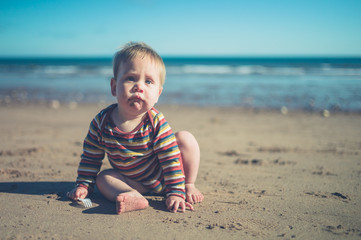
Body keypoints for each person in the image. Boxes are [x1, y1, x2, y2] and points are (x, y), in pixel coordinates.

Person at [67, 42, 204, 214]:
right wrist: (84, 185)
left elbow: (170, 159)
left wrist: (175, 192)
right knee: (103, 178)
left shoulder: (156, 123)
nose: (138, 87)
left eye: (148, 81)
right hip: (132, 181)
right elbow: (91, 157)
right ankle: (131, 196)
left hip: (163, 177)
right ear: (114, 87)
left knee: (185, 138)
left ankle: (189, 185)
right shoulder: (101, 122)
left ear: (157, 94)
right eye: (131, 78)